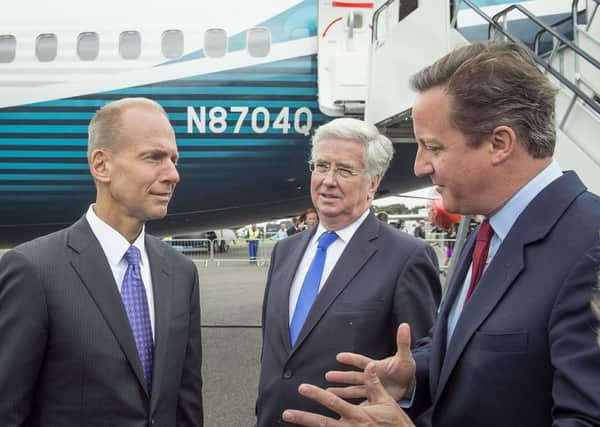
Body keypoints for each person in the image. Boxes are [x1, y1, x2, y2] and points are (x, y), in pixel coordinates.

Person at [282, 41, 600, 427]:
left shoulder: (589, 243)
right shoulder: (486, 233)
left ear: (499, 143)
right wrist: (416, 374)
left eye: (432, 147)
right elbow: (473, 351)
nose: (419, 166)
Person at [0, 98, 204, 426]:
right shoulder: (33, 271)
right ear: (101, 165)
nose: (173, 174)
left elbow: (186, 401)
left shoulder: (181, 272)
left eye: (174, 159)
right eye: (154, 157)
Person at [257, 117, 442, 426]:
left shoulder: (407, 257)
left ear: (373, 183)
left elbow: (419, 368)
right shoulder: (284, 252)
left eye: (344, 170)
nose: (328, 180)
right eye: (321, 166)